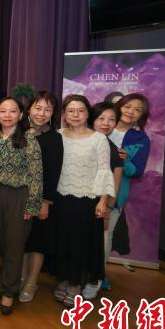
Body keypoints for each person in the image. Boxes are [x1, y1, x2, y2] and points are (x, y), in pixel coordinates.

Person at [54, 95, 114, 307]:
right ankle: (63, 279)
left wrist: (103, 201)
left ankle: (75, 285)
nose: (76, 115)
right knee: (63, 242)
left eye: (80, 110)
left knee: (81, 245)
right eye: (71, 111)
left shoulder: (99, 139)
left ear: (88, 114)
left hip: (87, 200)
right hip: (60, 198)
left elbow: (104, 171)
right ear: (64, 114)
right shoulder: (58, 135)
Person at [0, 97, 43, 315]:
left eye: (12, 111)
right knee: (3, 243)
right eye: (3, 111)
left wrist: (32, 205)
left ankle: (9, 292)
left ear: (21, 115)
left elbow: (36, 174)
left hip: (19, 196)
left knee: (14, 245)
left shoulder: (29, 138)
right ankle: (7, 284)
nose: (7, 115)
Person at [19, 91, 64, 303]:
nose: (41, 113)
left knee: (37, 242)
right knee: (20, 240)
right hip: (17, 196)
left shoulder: (54, 138)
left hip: (40, 198)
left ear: (53, 113)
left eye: (47, 109)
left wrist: (45, 202)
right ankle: (19, 279)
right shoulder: (19, 132)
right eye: (38, 108)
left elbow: (53, 172)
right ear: (29, 109)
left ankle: (31, 283)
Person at [104, 93, 151, 291]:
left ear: (142, 116)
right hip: (87, 189)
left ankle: (99, 274)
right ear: (119, 106)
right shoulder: (103, 125)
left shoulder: (142, 139)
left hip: (115, 195)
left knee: (105, 236)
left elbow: (137, 173)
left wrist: (126, 160)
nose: (131, 112)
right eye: (128, 106)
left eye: (137, 110)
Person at [82, 101, 123, 299]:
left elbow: (115, 182)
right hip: (84, 201)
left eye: (112, 119)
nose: (106, 123)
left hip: (103, 205)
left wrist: (108, 208)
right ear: (92, 119)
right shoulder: (85, 140)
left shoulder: (113, 149)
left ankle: (95, 281)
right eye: (101, 118)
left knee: (101, 244)